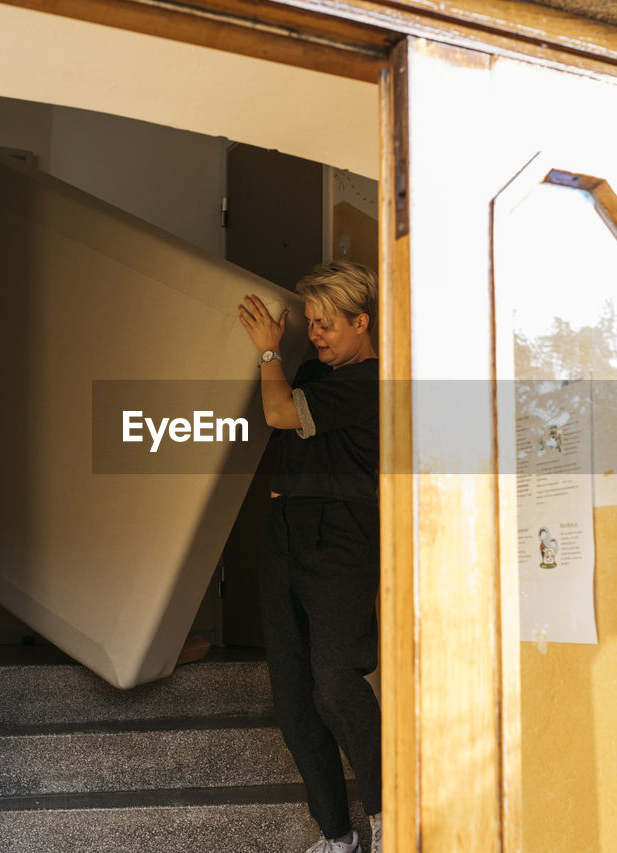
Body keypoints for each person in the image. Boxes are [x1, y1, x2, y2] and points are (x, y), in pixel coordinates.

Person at [237, 261, 382, 853]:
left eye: (328, 324)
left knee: (337, 684)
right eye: (313, 323)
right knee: (293, 694)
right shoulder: (311, 376)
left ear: (361, 322)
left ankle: (387, 816)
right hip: (287, 536)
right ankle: (337, 834)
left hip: (342, 541)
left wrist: (268, 355)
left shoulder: (371, 381)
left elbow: (278, 414)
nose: (317, 334)